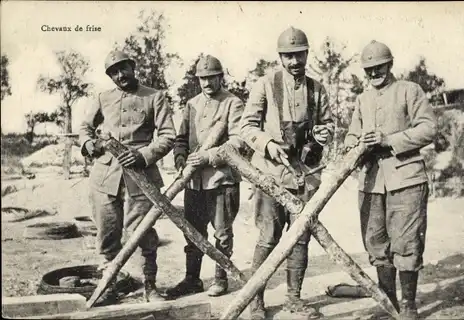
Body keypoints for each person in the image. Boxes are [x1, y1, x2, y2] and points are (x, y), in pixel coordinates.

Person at [239, 26, 334, 320]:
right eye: (288, 56)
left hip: (305, 175)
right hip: (270, 174)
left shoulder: (318, 89)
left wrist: (322, 135)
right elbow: (246, 127)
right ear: (280, 57)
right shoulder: (265, 85)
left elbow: (329, 126)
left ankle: (294, 299)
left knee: (301, 237)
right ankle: (256, 301)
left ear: (307, 54)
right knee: (268, 236)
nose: (294, 62)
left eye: (299, 55)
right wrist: (267, 145)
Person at [340, 40, 437, 319]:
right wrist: (356, 143)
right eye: (368, 69)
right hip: (371, 182)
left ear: (390, 64)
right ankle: (388, 302)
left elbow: (429, 128)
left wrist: (389, 140)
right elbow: (351, 135)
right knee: (376, 243)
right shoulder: (362, 99)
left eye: (378, 67)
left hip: (406, 179)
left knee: (406, 243)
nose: (373, 74)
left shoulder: (409, 90)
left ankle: (408, 305)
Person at [79, 50, 176, 305]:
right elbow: (84, 128)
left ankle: (150, 287)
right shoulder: (102, 98)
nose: (119, 75)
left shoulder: (155, 97)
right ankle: (108, 286)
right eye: (113, 72)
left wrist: (143, 155)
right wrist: (90, 145)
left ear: (133, 67)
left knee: (143, 233)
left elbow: (167, 136)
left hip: (141, 177)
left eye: (123, 69)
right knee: (107, 234)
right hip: (104, 176)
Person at [164, 55, 245, 299]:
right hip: (193, 181)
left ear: (221, 77)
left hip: (222, 179)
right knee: (192, 231)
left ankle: (220, 279)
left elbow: (238, 141)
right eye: (202, 78)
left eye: (211, 77)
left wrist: (208, 157)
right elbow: (181, 139)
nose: (207, 83)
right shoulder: (192, 104)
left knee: (222, 232)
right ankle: (192, 279)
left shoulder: (233, 103)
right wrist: (180, 158)